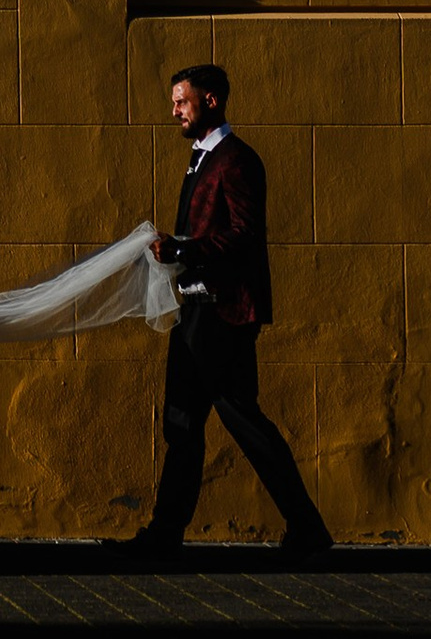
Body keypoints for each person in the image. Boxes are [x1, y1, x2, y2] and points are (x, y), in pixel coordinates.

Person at [114, 63, 333, 555]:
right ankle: (167, 534)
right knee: (187, 421)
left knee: (231, 420)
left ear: (210, 101)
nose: (174, 111)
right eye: (174, 102)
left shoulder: (235, 160)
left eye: (182, 101)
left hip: (223, 314)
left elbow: (244, 235)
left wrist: (183, 249)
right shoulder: (203, 159)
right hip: (198, 308)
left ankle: (304, 529)